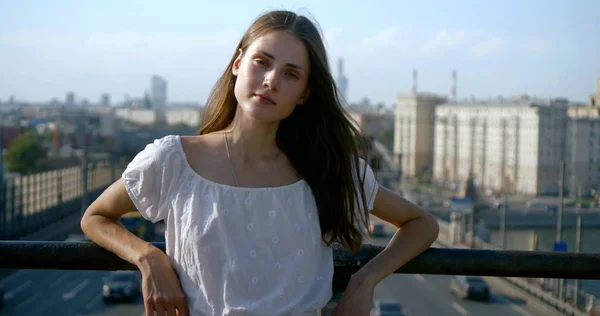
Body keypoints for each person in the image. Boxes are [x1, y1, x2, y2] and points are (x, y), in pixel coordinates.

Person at [81, 9, 439, 316]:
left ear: (304, 96)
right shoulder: (174, 160)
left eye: (291, 74)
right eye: (262, 62)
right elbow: (95, 218)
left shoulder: (331, 170)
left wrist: (366, 279)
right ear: (238, 64)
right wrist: (148, 258)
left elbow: (421, 224)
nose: (270, 81)